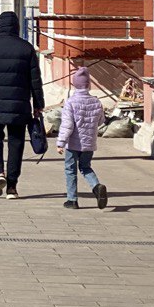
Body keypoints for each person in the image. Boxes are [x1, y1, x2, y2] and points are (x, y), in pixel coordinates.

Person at [0, 10, 44, 200]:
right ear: (16, 27)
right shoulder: (26, 48)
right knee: (16, 141)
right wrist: (38, 104)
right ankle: (12, 186)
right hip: (20, 104)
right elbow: (35, 80)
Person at [58, 67, 109, 209]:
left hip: (73, 143)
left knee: (70, 169)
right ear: (88, 85)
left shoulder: (70, 102)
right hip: (89, 143)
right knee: (85, 167)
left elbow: (67, 125)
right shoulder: (96, 102)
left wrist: (61, 142)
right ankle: (96, 186)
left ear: (74, 84)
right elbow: (100, 121)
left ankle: (72, 200)